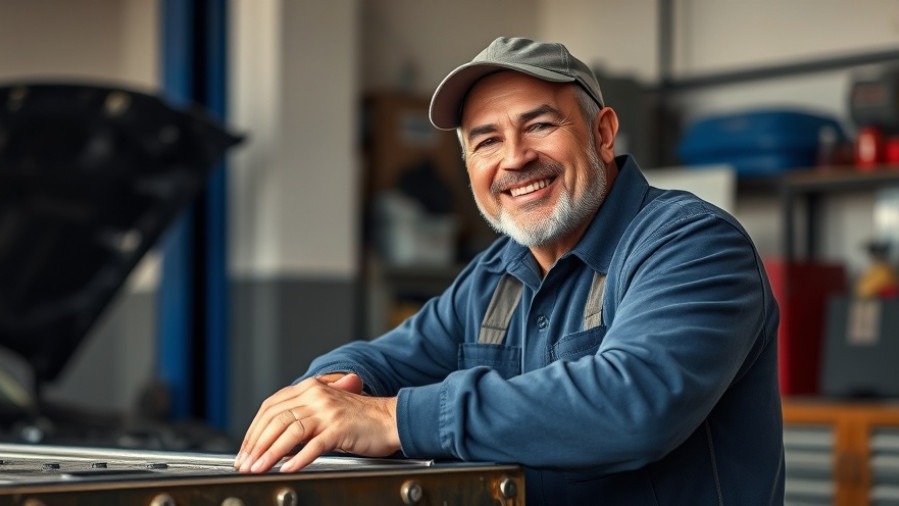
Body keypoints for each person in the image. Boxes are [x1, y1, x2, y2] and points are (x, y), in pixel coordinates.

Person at [235, 36, 785, 505]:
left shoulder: (691, 243)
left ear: (602, 133)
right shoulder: (495, 275)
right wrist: (322, 395)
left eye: (540, 125)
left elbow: (633, 404)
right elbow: (389, 358)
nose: (515, 158)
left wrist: (395, 419)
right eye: (487, 141)